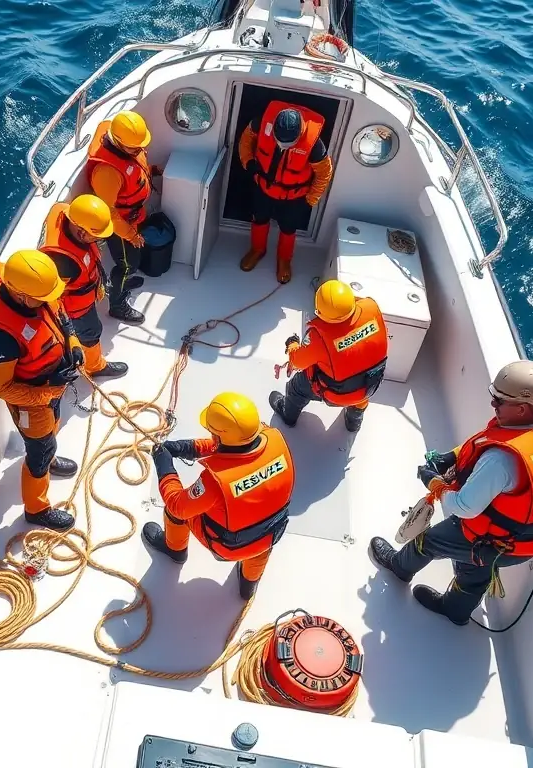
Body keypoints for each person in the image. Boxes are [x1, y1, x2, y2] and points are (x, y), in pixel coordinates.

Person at [368, 360, 533, 626]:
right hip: (529, 540)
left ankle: (398, 566)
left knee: (428, 542)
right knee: (477, 564)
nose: (493, 405)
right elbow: (492, 438)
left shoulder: (501, 462)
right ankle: (456, 610)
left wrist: (435, 484)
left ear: (522, 408)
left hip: (493, 538)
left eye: (499, 400)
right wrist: (451, 456)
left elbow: (464, 506)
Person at [0, 250, 89, 531]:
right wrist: (46, 393)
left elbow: (60, 314)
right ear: (20, 296)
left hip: (52, 385)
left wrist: (74, 343)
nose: (49, 299)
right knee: (40, 450)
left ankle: (50, 458)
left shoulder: (39, 292)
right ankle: (37, 509)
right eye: (43, 297)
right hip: (31, 397)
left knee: (53, 426)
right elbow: (1, 387)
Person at [142, 393, 296, 599]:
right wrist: (189, 448)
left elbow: (178, 504)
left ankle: (175, 550)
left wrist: (165, 467)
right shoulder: (276, 440)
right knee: (260, 543)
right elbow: (232, 445)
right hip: (269, 536)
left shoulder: (215, 481)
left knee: (174, 513)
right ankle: (248, 586)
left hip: (228, 548)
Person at [269, 279, 388, 433]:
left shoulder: (318, 338)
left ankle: (288, 414)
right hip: (369, 386)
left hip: (337, 396)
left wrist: (292, 344)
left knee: (296, 386)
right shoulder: (372, 308)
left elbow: (297, 361)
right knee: (362, 380)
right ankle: (354, 421)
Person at [237, 101, 334, 284]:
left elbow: (324, 173)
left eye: (289, 143)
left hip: (293, 197)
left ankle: (284, 260)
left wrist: (311, 199)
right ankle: (257, 249)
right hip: (263, 187)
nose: (283, 145)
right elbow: (246, 139)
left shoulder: (315, 145)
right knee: (259, 219)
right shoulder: (261, 123)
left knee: (288, 229)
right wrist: (248, 161)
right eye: (279, 140)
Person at [86, 110, 163, 325]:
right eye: (136, 147)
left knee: (132, 262)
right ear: (118, 143)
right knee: (128, 265)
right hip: (121, 226)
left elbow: (135, 170)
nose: (142, 149)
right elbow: (108, 214)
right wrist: (130, 235)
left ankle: (124, 284)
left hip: (134, 217)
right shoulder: (106, 172)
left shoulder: (130, 148)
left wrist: (153, 170)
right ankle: (117, 305)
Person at [38, 194, 128, 380]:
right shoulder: (63, 262)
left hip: (85, 286)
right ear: (81, 232)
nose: (98, 239)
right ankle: (95, 367)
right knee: (91, 331)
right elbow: (53, 298)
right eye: (96, 236)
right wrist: (68, 330)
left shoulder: (65, 212)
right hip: (76, 309)